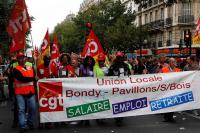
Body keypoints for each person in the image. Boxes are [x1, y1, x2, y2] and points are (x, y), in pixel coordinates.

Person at [13, 52, 37, 133]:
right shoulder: (16, 69)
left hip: (31, 92)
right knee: (21, 110)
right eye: (20, 58)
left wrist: (34, 78)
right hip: (20, 93)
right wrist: (33, 78)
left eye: (23, 57)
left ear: (25, 58)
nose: (22, 59)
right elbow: (21, 78)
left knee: (33, 109)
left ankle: (30, 123)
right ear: (17, 60)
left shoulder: (31, 68)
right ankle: (22, 126)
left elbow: (34, 78)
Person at [108, 51, 131, 126]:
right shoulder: (112, 67)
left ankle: (121, 117)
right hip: (115, 88)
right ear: (117, 58)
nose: (120, 59)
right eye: (118, 57)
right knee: (116, 102)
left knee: (123, 101)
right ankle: (117, 118)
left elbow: (129, 75)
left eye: (121, 57)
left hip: (124, 88)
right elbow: (108, 77)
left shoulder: (126, 66)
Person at [161, 58, 181, 122]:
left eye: (174, 62)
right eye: (172, 62)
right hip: (166, 89)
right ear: (169, 63)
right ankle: (166, 116)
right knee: (167, 102)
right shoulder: (164, 69)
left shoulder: (178, 70)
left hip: (174, 89)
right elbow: (160, 78)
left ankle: (171, 117)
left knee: (173, 103)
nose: (173, 63)